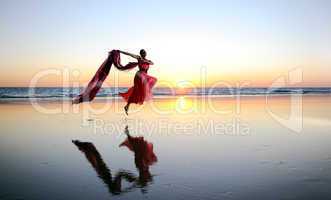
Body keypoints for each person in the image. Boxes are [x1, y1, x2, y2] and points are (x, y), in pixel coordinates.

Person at [118, 49, 157, 115]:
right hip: (139, 75)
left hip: (144, 76)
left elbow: (152, 63)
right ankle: (127, 106)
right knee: (146, 81)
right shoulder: (139, 58)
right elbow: (129, 54)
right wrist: (121, 52)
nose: (144, 54)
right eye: (142, 53)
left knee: (137, 92)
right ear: (141, 54)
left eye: (145, 52)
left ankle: (127, 106)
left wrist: (146, 61)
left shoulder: (148, 61)